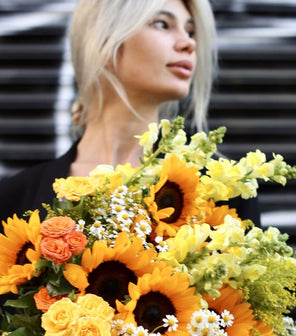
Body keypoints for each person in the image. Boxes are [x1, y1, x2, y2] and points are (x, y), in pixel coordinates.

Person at [0, 0, 259, 231]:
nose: (188, 43)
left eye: (190, 31)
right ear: (104, 38)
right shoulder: (14, 198)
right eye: (162, 24)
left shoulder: (224, 191)